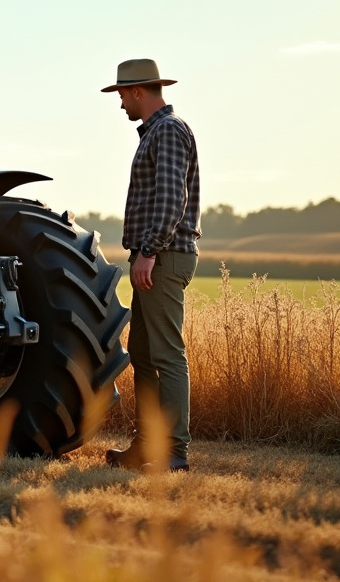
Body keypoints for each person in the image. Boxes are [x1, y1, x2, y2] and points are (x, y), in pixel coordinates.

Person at [101, 59, 201, 473]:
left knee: (166, 354)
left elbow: (170, 198)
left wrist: (149, 251)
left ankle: (175, 453)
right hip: (153, 253)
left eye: (122, 94)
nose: (120, 102)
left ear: (138, 91)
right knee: (142, 353)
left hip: (163, 255)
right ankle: (146, 446)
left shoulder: (169, 131)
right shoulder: (157, 132)